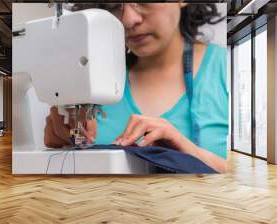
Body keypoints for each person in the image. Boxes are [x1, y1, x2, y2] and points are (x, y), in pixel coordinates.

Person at [44, 3, 228, 173]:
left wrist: (188, 153)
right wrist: (63, 139)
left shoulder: (224, 67)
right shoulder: (93, 79)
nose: (128, 20)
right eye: (114, 5)